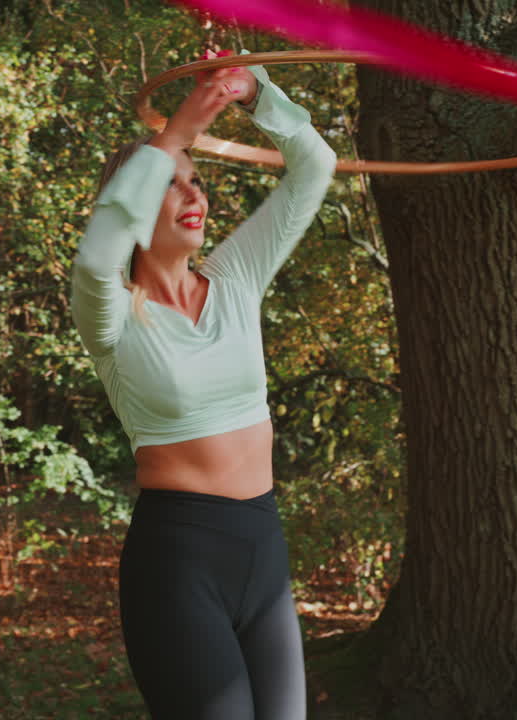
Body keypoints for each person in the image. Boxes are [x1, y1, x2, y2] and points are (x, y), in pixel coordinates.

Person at [70, 50, 337, 720]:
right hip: (178, 564)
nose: (195, 194)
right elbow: (100, 254)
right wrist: (172, 137)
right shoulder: (112, 318)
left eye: (197, 180)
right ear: (135, 207)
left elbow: (316, 169)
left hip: (263, 548)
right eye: (173, 182)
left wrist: (258, 93)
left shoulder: (235, 278)